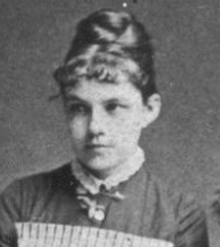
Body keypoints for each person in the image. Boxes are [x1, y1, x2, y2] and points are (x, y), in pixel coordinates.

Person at [0, 9, 209, 247]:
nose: (95, 127)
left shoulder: (180, 217)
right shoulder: (21, 201)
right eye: (79, 108)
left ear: (149, 109)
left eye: (113, 107)